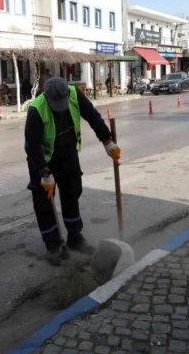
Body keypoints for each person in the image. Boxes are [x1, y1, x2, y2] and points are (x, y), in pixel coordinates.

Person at [24, 77, 121, 266]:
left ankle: (75, 237)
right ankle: (53, 245)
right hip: (43, 159)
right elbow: (32, 146)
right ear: (46, 97)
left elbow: (92, 116)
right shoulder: (36, 109)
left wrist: (107, 141)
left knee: (72, 193)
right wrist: (44, 172)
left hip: (68, 154)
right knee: (44, 202)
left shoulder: (75, 95)